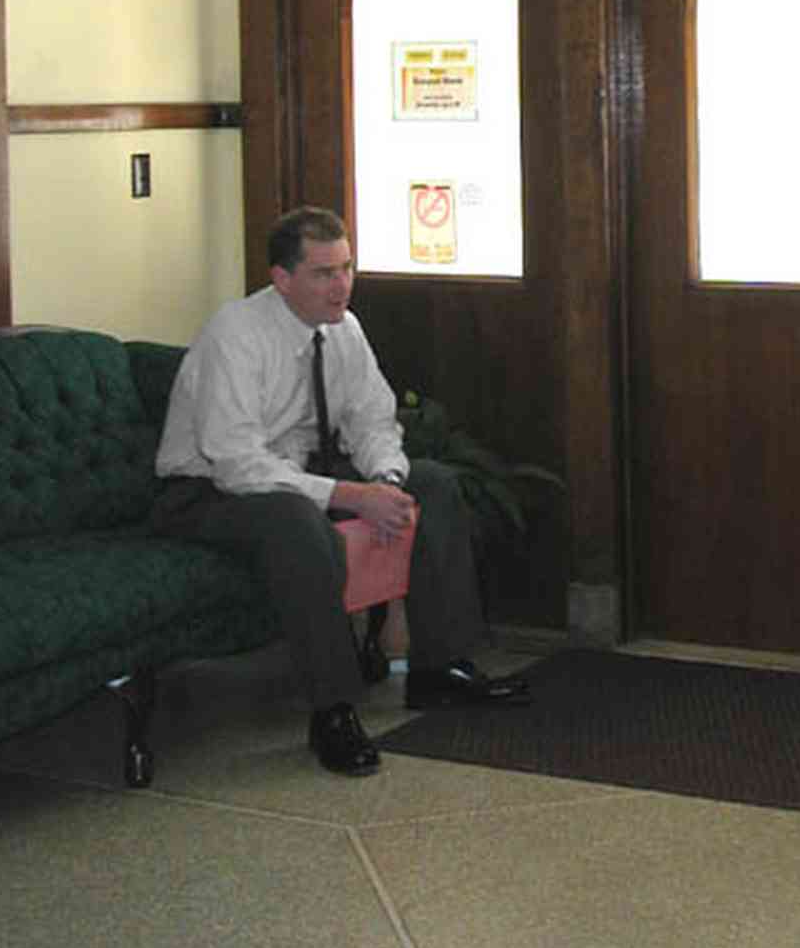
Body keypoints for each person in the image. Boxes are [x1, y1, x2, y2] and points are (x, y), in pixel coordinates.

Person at [153, 204, 528, 775]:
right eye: (324, 273)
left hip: (294, 473)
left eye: (347, 268)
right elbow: (235, 463)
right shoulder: (236, 334)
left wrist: (386, 481)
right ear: (282, 279)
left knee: (435, 483)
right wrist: (349, 497)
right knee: (294, 523)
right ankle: (333, 709)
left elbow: (372, 419)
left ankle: (439, 670)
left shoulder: (343, 329)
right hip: (207, 492)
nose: (342, 285)